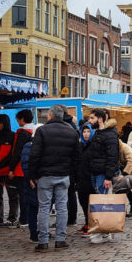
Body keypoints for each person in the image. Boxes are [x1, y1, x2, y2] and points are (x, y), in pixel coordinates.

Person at [28, 104, 79, 252]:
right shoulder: (71, 132)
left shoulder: (42, 131)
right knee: (62, 207)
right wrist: (70, 171)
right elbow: (77, 156)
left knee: (44, 207)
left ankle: (43, 241)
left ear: (50, 115)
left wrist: (32, 174)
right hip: (63, 174)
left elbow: (34, 154)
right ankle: (60, 240)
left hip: (45, 175)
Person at [86, 109, 120, 243]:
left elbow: (112, 157)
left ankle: (103, 232)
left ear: (100, 119)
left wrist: (108, 177)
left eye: (92, 118)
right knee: (99, 203)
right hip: (95, 172)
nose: (90, 121)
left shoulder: (109, 135)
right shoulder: (99, 133)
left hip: (102, 174)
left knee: (102, 204)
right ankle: (103, 231)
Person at [7, 109, 35, 228]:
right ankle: (27, 218)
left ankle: (24, 219)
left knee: (23, 195)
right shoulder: (34, 131)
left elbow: (17, 152)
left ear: (22, 119)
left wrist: (11, 168)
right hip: (30, 167)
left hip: (20, 168)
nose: (17, 121)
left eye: (18, 119)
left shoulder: (22, 133)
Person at [76, 124, 95, 235]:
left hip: (91, 178)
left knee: (90, 203)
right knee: (83, 202)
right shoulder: (80, 145)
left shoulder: (94, 145)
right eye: (84, 132)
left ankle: (91, 224)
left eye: (88, 131)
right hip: (81, 178)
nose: (86, 134)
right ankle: (87, 222)